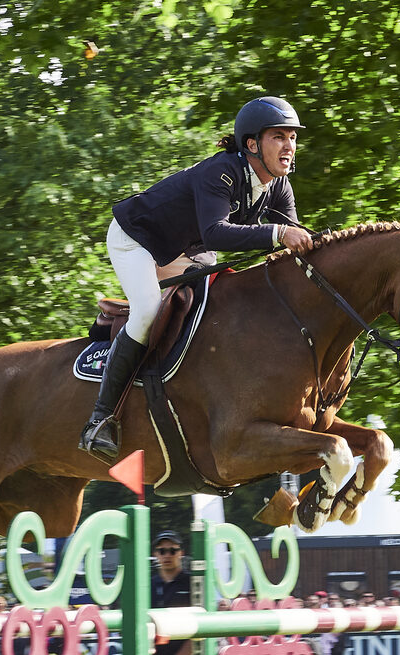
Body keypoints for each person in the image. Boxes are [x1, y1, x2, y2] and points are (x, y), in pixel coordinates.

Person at [79, 96, 312, 463]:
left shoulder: (278, 187)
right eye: (278, 137)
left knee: (215, 307)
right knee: (147, 311)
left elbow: (291, 241)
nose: (289, 146)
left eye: (293, 138)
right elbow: (220, 233)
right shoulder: (221, 172)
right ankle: (99, 420)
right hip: (138, 238)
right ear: (252, 144)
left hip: (189, 248)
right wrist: (278, 234)